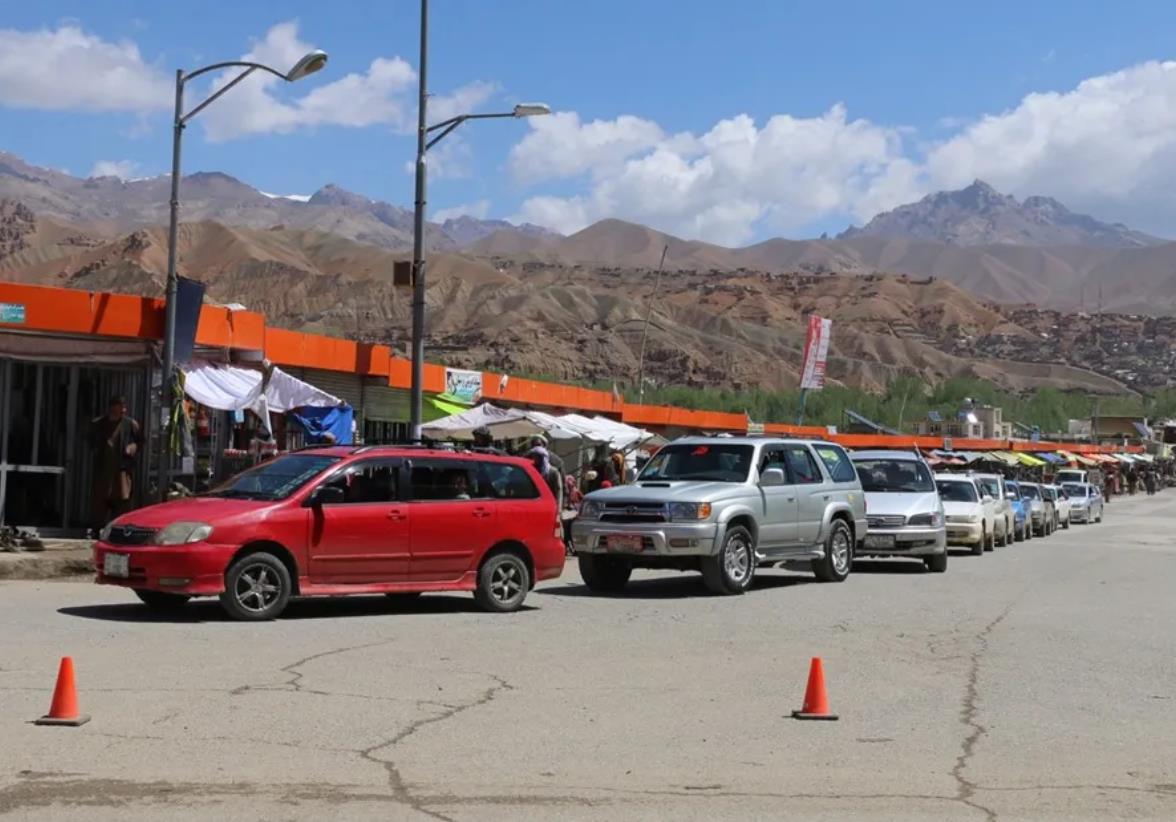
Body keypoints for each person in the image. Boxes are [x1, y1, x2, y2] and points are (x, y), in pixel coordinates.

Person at [89, 395, 143, 530]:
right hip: (103, 470)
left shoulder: (131, 424)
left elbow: (140, 442)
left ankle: (119, 530)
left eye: (124, 406)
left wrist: (133, 447)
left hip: (122, 471)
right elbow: (90, 440)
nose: (123, 409)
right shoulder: (99, 424)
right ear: (113, 408)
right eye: (120, 406)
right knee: (100, 501)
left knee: (122, 500)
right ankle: (97, 530)